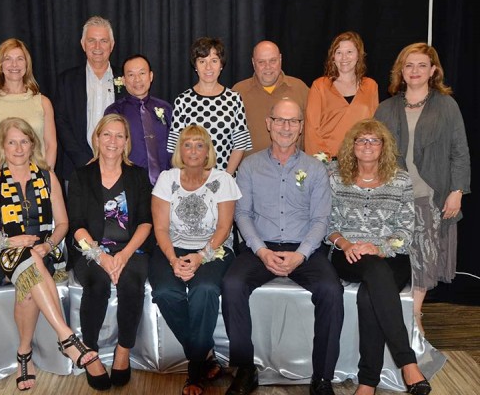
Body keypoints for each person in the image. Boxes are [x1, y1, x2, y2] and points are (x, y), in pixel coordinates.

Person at [0, 117, 105, 391]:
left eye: (24, 141)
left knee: (30, 275)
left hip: (44, 251)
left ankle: (23, 354)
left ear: (33, 144)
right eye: (12, 142)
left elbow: (64, 223)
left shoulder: (47, 176)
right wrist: (11, 241)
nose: (18, 148)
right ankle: (67, 336)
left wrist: (49, 243)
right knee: (26, 258)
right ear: (2, 146)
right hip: (1, 254)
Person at [222, 99, 343, 395]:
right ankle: (245, 369)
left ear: (301, 128)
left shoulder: (316, 169)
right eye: (280, 120)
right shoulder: (249, 166)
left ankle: (322, 377)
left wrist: (301, 255)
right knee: (232, 283)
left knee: (331, 290)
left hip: (304, 248)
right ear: (268, 123)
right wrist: (261, 251)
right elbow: (243, 215)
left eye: (292, 122)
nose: (285, 127)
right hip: (260, 246)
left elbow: (321, 219)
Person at [327, 119, 431, 395]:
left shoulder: (401, 180)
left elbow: (406, 231)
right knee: (373, 272)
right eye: (362, 140)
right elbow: (327, 225)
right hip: (347, 254)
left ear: (384, 146)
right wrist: (346, 243)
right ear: (352, 146)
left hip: (392, 256)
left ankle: (367, 382)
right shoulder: (336, 177)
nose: (368, 145)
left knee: (368, 294)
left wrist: (380, 248)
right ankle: (407, 362)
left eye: (375, 140)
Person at [374, 43, 471, 336]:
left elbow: (460, 151)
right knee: (394, 257)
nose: (414, 71)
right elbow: (371, 150)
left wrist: (457, 190)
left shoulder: (446, 106)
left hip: (432, 195)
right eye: (409, 65)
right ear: (401, 72)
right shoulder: (386, 107)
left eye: (421, 65)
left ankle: (415, 316)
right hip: (393, 198)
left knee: (424, 257)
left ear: (432, 70)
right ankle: (388, 314)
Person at [150, 125, 242, 395]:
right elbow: (161, 229)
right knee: (166, 292)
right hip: (171, 248)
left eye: (199, 145)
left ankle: (195, 372)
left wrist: (201, 257)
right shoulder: (167, 179)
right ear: (180, 150)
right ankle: (205, 356)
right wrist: (172, 259)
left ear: (207, 151)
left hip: (213, 250)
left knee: (205, 290)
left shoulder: (223, 179)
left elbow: (224, 228)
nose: (193, 150)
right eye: (187, 145)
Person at [66, 113, 153, 389]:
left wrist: (124, 255)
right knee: (98, 282)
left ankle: (123, 351)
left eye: (119, 135)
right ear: (97, 138)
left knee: (131, 281)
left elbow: (145, 222)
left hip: (132, 249)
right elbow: (77, 225)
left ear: (127, 142)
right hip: (90, 250)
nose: (112, 141)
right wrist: (101, 257)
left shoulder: (138, 176)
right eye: (107, 134)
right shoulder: (81, 176)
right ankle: (90, 353)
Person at [167, 37, 252, 176]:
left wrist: (225, 177)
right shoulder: (182, 100)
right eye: (202, 61)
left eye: (214, 61)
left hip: (226, 177)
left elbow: (240, 144)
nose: (208, 67)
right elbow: (175, 147)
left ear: (221, 64)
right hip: (191, 179)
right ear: (195, 66)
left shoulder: (234, 99)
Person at [55, 15, 123, 187]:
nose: (97, 47)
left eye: (104, 41)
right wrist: (84, 161)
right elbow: (61, 122)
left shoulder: (126, 79)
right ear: (83, 44)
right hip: (78, 170)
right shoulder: (67, 80)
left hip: (119, 170)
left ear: (112, 45)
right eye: (92, 40)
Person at [0, 38, 57, 170]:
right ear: (0, 65)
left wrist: (46, 177)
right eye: (8, 59)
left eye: (20, 59)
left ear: (27, 65)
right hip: (4, 182)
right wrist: (5, 179)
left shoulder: (43, 102)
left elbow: (51, 145)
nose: (14, 64)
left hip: (39, 180)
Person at [304, 31, 378, 158]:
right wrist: (323, 161)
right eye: (339, 53)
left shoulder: (371, 86)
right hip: (328, 161)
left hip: (361, 160)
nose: (344, 58)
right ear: (333, 57)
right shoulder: (319, 86)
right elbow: (311, 130)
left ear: (359, 55)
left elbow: (374, 127)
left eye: (349, 52)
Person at [104, 54, 172, 184]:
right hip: (130, 183)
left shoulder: (167, 109)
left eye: (142, 73)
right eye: (131, 75)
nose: (137, 79)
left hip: (167, 184)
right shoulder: (115, 111)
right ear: (123, 80)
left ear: (150, 76)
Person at [232, 40, 309, 156]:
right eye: (261, 62)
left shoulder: (300, 89)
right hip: (251, 172)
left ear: (280, 59)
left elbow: (312, 132)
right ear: (253, 63)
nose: (268, 67)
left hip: (295, 170)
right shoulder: (239, 92)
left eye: (273, 61)